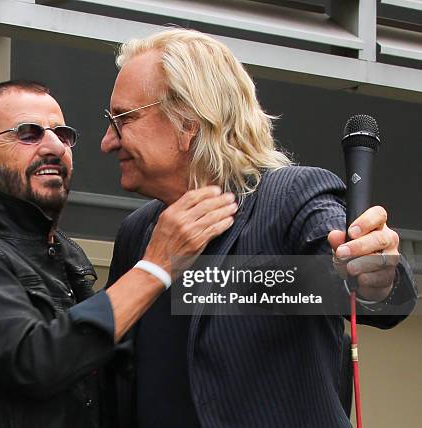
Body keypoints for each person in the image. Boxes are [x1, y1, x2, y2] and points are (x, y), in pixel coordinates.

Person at [100, 29, 417, 428]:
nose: (107, 142)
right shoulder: (137, 232)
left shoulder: (289, 197)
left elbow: (373, 293)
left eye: (123, 119)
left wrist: (379, 273)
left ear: (188, 121)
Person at [0, 80, 238, 428]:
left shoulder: (70, 256)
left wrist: (288, 287)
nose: (54, 146)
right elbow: (36, 362)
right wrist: (156, 265)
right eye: (28, 133)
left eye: (63, 134)